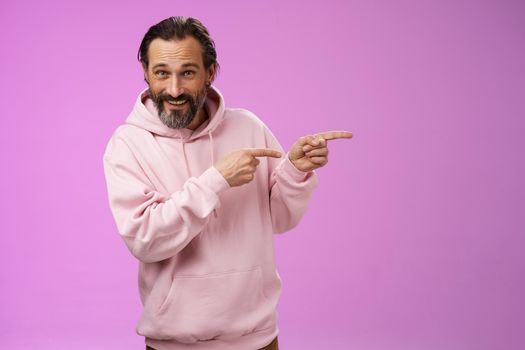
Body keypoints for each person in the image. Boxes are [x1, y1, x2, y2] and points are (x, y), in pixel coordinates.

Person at [102, 16, 352, 350]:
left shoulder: (248, 126)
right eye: (162, 73)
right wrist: (215, 180)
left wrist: (294, 171)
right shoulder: (127, 144)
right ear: (146, 72)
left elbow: (280, 219)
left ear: (210, 73)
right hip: (175, 342)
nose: (174, 89)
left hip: (258, 338)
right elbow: (145, 240)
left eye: (187, 72)